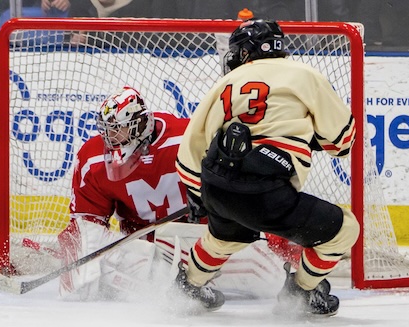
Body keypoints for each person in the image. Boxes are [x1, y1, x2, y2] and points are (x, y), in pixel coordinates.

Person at [17, 86, 291, 301]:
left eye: (118, 130)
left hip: (208, 242)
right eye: (107, 131)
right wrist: (75, 252)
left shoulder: (191, 138)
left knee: (272, 279)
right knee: (88, 242)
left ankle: (194, 284)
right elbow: (88, 224)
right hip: (149, 252)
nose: (111, 138)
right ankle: (181, 292)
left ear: (138, 124)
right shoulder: (93, 160)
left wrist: (215, 200)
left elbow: (242, 189)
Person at [172, 19, 360, 316]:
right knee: (345, 230)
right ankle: (301, 292)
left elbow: (189, 153)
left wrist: (201, 196)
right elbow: (343, 142)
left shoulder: (223, 84)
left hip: (217, 183)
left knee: (225, 237)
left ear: (244, 53)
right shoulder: (304, 75)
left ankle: (188, 286)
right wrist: (310, 137)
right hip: (268, 193)